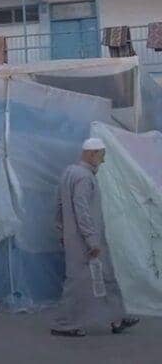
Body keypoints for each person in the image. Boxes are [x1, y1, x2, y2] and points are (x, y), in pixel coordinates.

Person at [51, 137, 139, 337]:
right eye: (102, 155)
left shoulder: (69, 173)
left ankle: (117, 318)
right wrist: (92, 240)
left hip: (77, 239)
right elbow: (82, 211)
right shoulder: (84, 177)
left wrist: (62, 232)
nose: (103, 160)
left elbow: (59, 206)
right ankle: (64, 324)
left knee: (105, 277)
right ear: (91, 154)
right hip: (87, 241)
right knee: (79, 282)